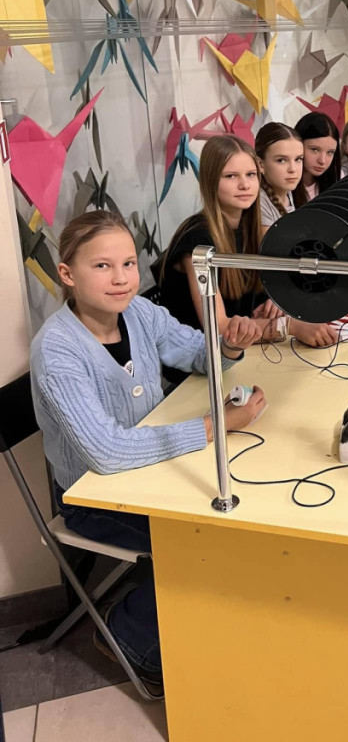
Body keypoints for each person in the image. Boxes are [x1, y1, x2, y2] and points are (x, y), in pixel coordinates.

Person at [30, 211, 266, 696]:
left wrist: (229, 346)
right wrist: (215, 426)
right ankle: (130, 635)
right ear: (67, 274)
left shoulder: (137, 312)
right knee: (208, 536)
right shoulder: (57, 350)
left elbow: (197, 354)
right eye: (102, 266)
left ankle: (203, 613)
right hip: (91, 497)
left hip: (151, 468)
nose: (121, 278)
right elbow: (106, 452)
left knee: (241, 512)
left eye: (128, 263)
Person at [158, 135, 336, 350]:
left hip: (241, 352)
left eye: (251, 174)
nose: (244, 185)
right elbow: (219, 328)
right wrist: (290, 326)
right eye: (231, 176)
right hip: (199, 359)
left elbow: (253, 307)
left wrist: (272, 305)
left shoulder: (248, 227)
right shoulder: (197, 239)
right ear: (210, 180)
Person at [255, 122, 308, 231]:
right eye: (281, 160)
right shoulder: (260, 203)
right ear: (260, 164)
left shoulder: (287, 191)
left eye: (298, 159)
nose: (293, 169)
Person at [295, 111, 342, 200]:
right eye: (315, 150)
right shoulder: (283, 183)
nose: (322, 161)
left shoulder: (339, 178)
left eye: (330, 152)